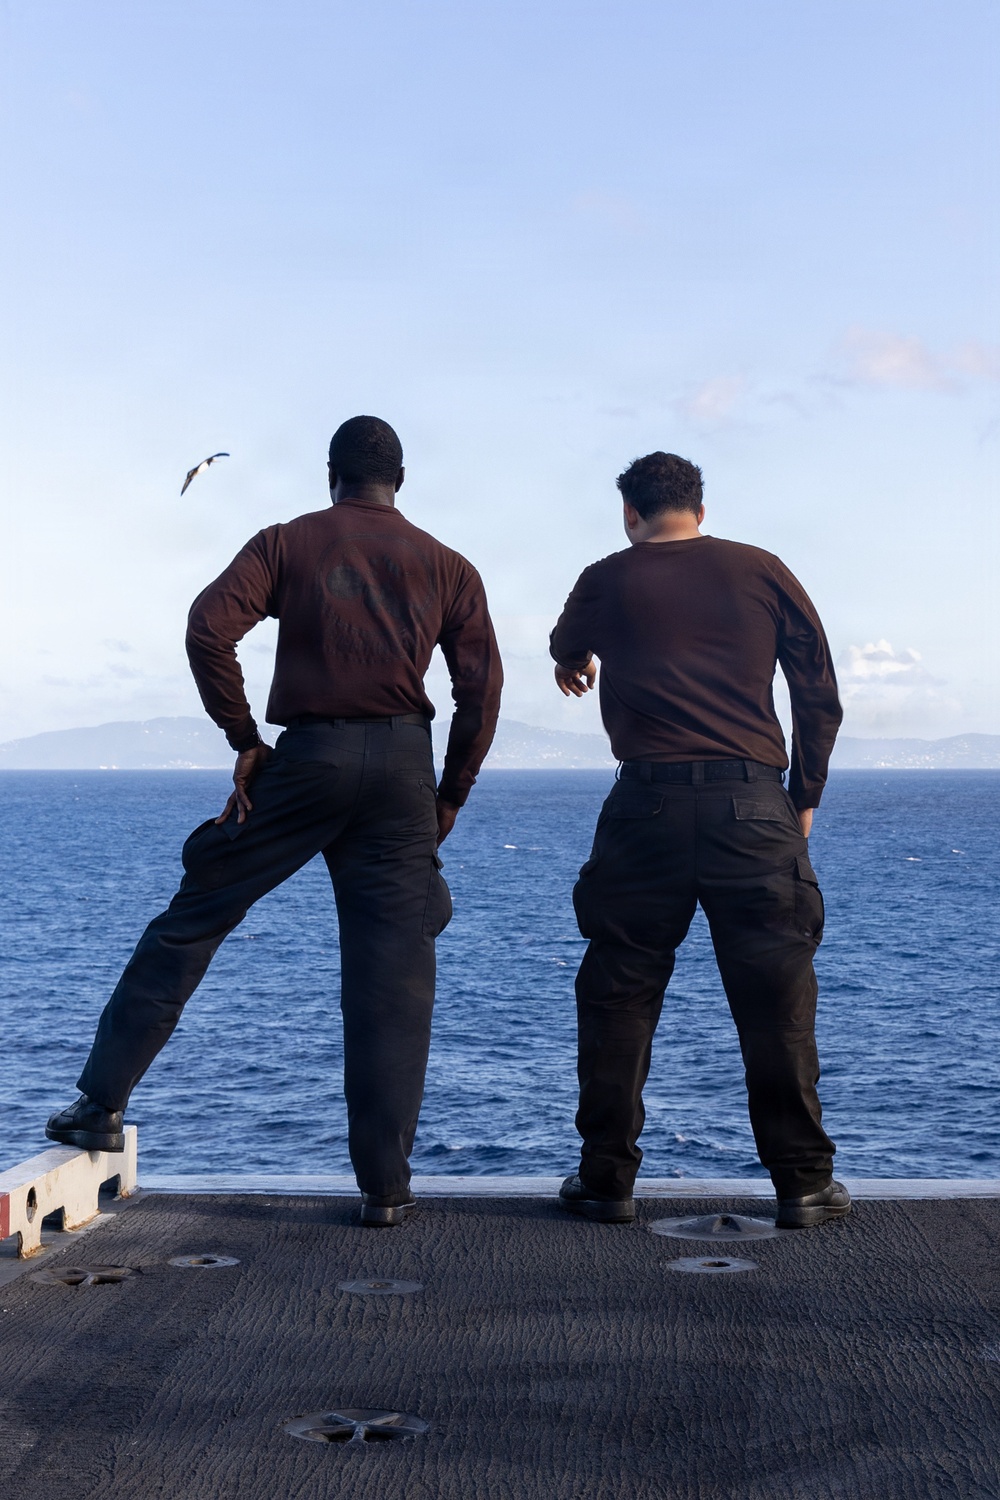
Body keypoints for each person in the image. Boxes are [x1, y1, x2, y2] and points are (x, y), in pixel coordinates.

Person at [46, 416, 502, 1226]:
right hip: (403, 770)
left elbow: (206, 627)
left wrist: (245, 739)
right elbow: (481, 690)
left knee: (195, 917)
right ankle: (385, 1190)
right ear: (401, 480)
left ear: (333, 476)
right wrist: (450, 794)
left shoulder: (286, 543)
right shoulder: (450, 566)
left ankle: (100, 1103)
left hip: (308, 760)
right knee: (392, 980)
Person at [550, 451, 848, 1230]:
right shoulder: (762, 569)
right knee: (777, 1003)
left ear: (629, 513)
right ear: (700, 510)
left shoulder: (607, 576)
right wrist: (803, 797)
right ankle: (805, 1185)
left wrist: (574, 661)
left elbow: (564, 642)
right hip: (753, 810)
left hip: (643, 809)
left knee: (619, 998)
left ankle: (605, 1182)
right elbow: (818, 690)